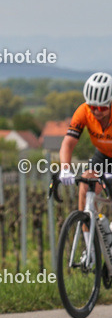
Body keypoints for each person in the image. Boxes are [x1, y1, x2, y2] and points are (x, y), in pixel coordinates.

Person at [58, 72, 112, 244]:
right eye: (93, 107)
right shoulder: (83, 112)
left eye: (102, 108)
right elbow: (68, 143)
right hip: (103, 154)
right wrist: (65, 168)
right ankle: (90, 246)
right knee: (85, 184)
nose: (97, 111)